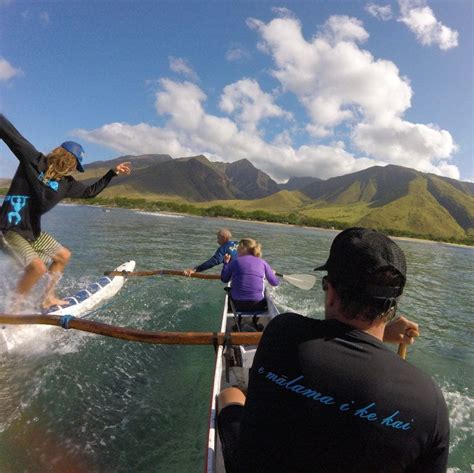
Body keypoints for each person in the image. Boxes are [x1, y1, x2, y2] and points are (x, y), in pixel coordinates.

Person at [218, 227, 449, 473]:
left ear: (331, 293)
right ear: (392, 307)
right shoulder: (429, 402)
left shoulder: (281, 332)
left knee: (230, 394)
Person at [0, 114, 132, 310]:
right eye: (70, 160)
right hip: (7, 229)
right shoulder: (34, 160)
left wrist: (111, 173)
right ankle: (12, 310)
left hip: (31, 233)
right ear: (59, 154)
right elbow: (10, 133)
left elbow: (90, 192)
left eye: (73, 163)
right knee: (38, 268)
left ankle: (48, 297)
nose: (69, 165)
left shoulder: (66, 184)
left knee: (63, 255)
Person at [220, 238, 279, 312]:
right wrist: (272, 273)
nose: (236, 251)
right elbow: (275, 283)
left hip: (237, 304)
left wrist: (226, 263)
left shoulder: (235, 262)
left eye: (238, 248)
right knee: (262, 294)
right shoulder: (263, 263)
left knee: (229, 291)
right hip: (257, 305)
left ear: (243, 249)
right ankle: (255, 321)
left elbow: (224, 279)